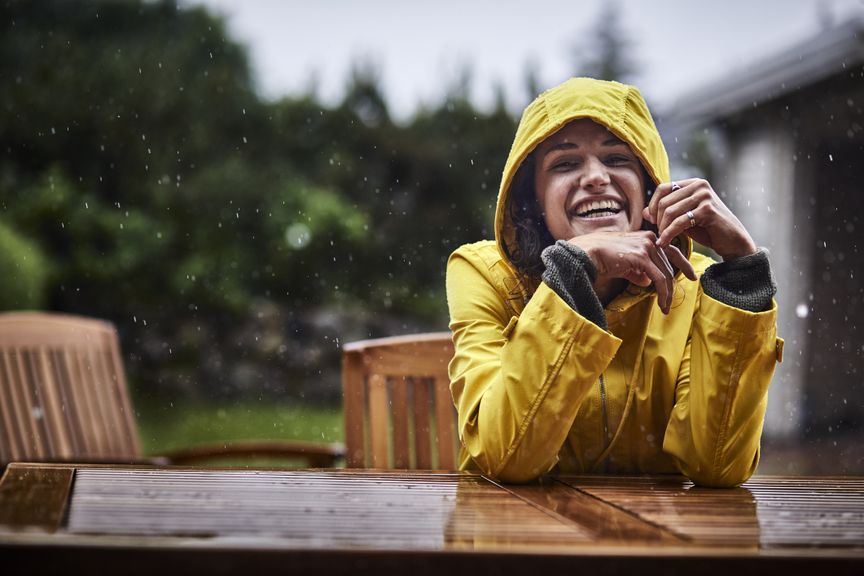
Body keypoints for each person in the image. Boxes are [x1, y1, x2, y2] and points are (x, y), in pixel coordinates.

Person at [445, 77, 783, 487]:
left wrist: (741, 268)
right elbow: (507, 458)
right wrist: (575, 269)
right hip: (515, 537)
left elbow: (717, 465)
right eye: (565, 164)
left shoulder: (696, 285)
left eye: (617, 158)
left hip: (659, 542)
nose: (595, 177)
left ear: (649, 186)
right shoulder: (483, 273)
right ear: (532, 199)